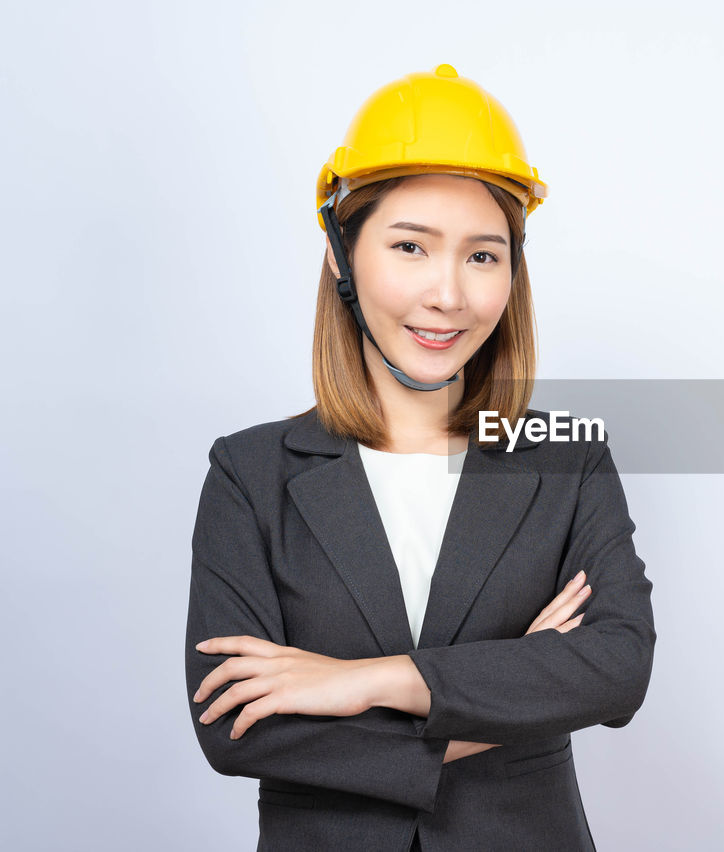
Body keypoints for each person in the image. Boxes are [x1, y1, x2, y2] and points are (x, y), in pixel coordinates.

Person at [184, 65, 657, 851]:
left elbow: (616, 665)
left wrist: (364, 681)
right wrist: (518, 683)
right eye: (411, 246)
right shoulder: (251, 473)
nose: (449, 294)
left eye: (482, 256)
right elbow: (236, 727)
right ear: (342, 254)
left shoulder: (567, 457)